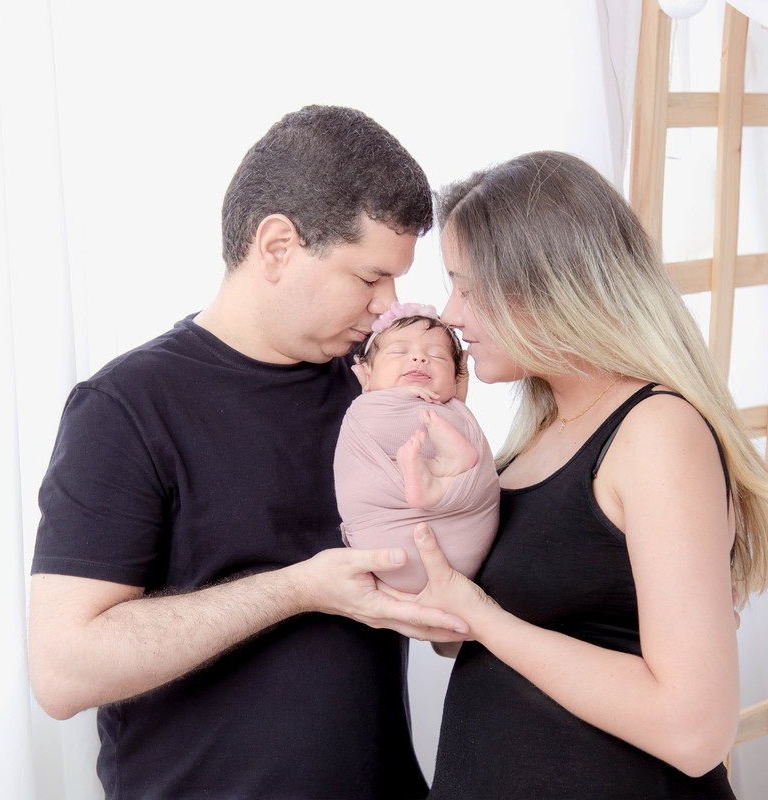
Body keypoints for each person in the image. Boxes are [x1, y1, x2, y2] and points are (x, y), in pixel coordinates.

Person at [26, 105, 469, 800]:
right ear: (277, 246)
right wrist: (298, 590)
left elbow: (450, 597)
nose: (389, 306)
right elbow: (62, 670)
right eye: (369, 278)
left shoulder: (375, 389)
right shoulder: (127, 407)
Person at [403, 151, 768, 798]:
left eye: (468, 287)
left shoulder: (656, 431)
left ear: (548, 281)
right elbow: (476, 638)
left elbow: (695, 729)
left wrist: (483, 616)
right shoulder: (532, 439)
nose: (451, 313)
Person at [336, 301, 498, 593]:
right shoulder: (370, 408)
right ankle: (437, 472)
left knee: (447, 425)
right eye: (399, 352)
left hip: (457, 544)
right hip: (392, 540)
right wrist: (400, 399)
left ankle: (435, 472)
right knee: (385, 419)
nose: (420, 358)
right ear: (366, 376)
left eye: (436, 356)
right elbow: (380, 431)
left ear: (457, 376)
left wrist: (448, 402)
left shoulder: (453, 411)